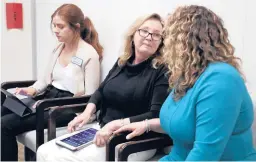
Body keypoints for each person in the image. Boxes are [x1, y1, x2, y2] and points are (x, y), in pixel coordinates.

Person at [114, 5, 256, 161]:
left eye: (167, 36)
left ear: (182, 42)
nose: (165, 44)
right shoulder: (188, 75)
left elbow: (205, 155)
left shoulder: (221, 80)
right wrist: (147, 125)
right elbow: (184, 122)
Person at [36, 13, 169, 161]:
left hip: (134, 140)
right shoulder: (122, 62)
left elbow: (156, 115)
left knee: (64, 159)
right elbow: (101, 91)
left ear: (161, 42)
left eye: (156, 35)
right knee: (44, 151)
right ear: (133, 34)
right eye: (144, 31)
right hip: (102, 129)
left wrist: (115, 125)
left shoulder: (162, 71)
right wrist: (86, 113)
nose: (149, 37)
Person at [1, 4, 103, 161]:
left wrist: (53, 105)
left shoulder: (89, 55)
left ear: (76, 27)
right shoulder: (58, 48)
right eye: (54, 25)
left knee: (4, 125)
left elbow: (90, 97)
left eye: (60, 26)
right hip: (47, 98)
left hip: (67, 107)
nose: (55, 30)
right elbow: (44, 80)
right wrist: (31, 90)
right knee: (3, 105)